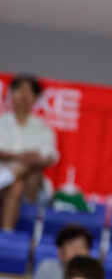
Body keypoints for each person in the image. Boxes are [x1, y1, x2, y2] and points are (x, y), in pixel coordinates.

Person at [0, 75, 58, 231]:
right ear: (10, 94)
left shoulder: (43, 129)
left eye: (29, 91)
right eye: (19, 89)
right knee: (16, 184)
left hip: (31, 188)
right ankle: (6, 234)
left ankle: (7, 177)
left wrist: (15, 157)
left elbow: (48, 157)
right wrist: (25, 156)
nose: (24, 95)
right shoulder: (2, 123)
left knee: (28, 170)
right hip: (8, 187)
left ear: (36, 98)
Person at [27, 224, 92, 279]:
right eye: (71, 246)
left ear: (89, 252)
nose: (77, 251)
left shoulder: (94, 274)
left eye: (82, 246)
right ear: (60, 251)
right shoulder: (47, 269)